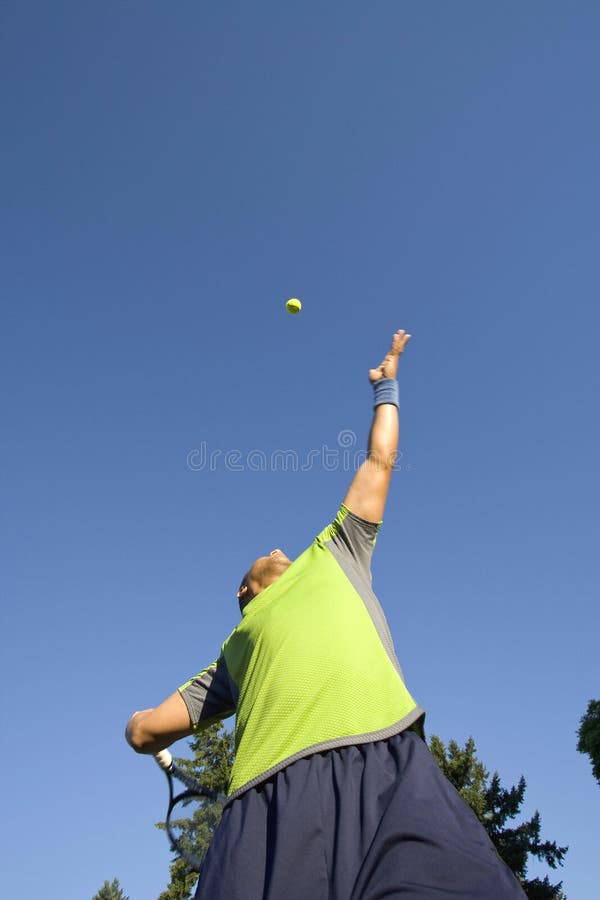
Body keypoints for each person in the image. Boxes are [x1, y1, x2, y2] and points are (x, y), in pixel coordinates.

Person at [126, 330, 526, 899]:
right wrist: (135, 728)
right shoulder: (232, 654)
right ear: (246, 592)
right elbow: (149, 727)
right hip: (265, 806)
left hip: (390, 768)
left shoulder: (336, 550)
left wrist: (386, 382)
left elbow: (379, 460)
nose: (276, 546)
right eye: (265, 556)